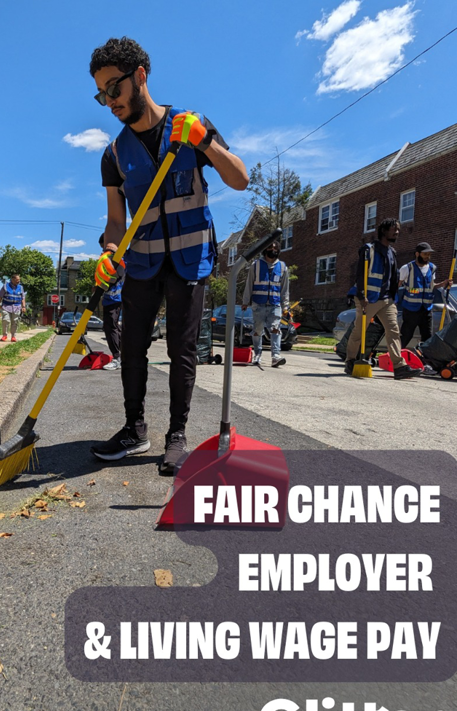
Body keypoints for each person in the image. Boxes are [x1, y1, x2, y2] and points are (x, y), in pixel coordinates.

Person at [88, 37, 248, 473]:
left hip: (189, 260)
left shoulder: (190, 126)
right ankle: (134, 429)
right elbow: (116, 222)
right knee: (132, 348)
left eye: (114, 88)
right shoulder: (114, 154)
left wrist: (206, 143)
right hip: (142, 263)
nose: (109, 101)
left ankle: (177, 435)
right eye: (101, 94)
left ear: (140, 75)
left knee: (182, 349)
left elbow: (240, 179)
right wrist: (108, 251)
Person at [345, 218, 421, 379]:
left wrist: (394, 297)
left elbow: (393, 278)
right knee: (359, 331)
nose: (397, 232)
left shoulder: (392, 252)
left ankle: (399, 366)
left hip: (387, 300)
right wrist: (362, 295)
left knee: (394, 331)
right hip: (369, 299)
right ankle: (350, 360)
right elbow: (360, 275)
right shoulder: (369, 250)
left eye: (398, 229)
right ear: (384, 231)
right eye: (394, 229)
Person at [241, 240, 290, 367]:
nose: (272, 251)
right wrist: (245, 301)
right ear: (265, 250)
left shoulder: (283, 267)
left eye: (275, 249)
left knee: (275, 329)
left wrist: (285, 306)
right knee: (257, 330)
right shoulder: (256, 265)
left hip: (275, 304)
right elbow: (249, 284)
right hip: (258, 303)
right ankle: (257, 355)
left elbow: (284, 289)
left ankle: (276, 356)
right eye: (270, 248)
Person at [398, 242, 452, 349]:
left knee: (427, 338)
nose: (428, 256)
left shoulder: (432, 268)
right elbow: (398, 284)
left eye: (429, 254)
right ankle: (395, 356)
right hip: (410, 309)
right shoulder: (407, 268)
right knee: (406, 336)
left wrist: (443, 284)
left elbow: (432, 286)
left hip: (426, 309)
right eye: (425, 254)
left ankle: (425, 358)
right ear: (417, 254)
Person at [98, 233, 123, 370]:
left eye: (103, 246)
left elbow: (113, 277)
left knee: (110, 327)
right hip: (113, 298)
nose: (102, 250)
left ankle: (117, 358)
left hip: (114, 298)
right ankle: (121, 356)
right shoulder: (116, 257)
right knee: (114, 327)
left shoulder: (114, 258)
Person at [0, 274, 26, 342]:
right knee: (5, 320)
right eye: (17, 280)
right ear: (12, 279)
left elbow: (23, 298)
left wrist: (23, 306)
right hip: (6, 306)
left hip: (17, 307)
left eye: (19, 280)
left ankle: (13, 336)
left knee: (15, 322)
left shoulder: (21, 287)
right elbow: (0, 296)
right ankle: (4, 335)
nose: (19, 281)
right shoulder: (5, 286)